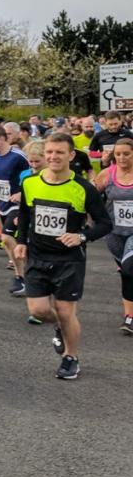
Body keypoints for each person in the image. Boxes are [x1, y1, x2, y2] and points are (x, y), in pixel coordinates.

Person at [15, 133, 111, 380]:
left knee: (67, 311)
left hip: (69, 259)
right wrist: (21, 242)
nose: (53, 157)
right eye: (49, 152)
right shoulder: (30, 183)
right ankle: (60, 326)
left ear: (71, 155)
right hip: (37, 255)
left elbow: (104, 224)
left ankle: (70, 357)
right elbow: (25, 215)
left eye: (59, 152)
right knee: (38, 310)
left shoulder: (83, 188)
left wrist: (81, 237)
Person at [0, 125, 30, 297]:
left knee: (7, 238)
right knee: (13, 243)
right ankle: (21, 276)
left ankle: (25, 277)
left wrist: (21, 192)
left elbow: (32, 175)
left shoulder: (18, 157)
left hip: (19, 204)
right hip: (2, 203)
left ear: (2, 138)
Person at [94, 138, 133, 334]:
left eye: (127, 153)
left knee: (128, 270)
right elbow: (90, 197)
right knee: (128, 273)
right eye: (118, 154)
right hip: (114, 232)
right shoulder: (107, 175)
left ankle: (129, 317)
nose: (122, 157)